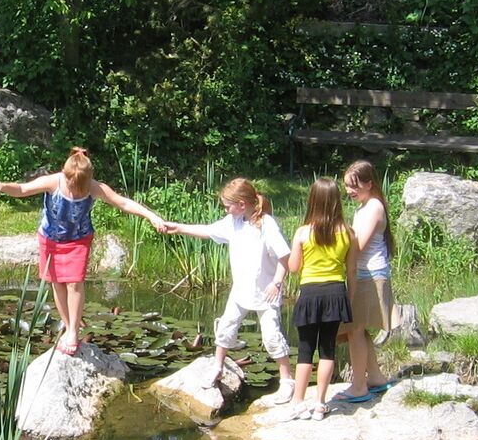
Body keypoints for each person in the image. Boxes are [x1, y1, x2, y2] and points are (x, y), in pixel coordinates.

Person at [0, 147, 166, 356]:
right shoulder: (54, 181)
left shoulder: (94, 187)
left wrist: (152, 216)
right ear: (65, 175)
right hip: (50, 240)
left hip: (78, 240)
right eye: (72, 186)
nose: (75, 191)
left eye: (79, 187)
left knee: (74, 282)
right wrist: (1, 186)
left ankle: (73, 330)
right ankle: (67, 323)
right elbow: (22, 190)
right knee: (57, 283)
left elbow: (123, 202)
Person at [164, 178, 295, 401]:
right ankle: (217, 366)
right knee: (225, 327)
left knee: (271, 336)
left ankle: (286, 379)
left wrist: (277, 282)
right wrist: (178, 228)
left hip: (266, 292)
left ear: (242, 204)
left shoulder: (267, 225)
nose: (225, 209)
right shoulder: (233, 222)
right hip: (241, 290)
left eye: (227, 205)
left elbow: (285, 255)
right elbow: (207, 230)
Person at [285, 177, 357, 421]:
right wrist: (350, 298)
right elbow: (352, 271)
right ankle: (320, 404)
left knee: (306, 350)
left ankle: (298, 403)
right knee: (328, 350)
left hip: (310, 294)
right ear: (337, 201)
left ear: (312, 201)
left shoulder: (303, 233)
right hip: (336, 294)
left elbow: (294, 267)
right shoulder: (348, 233)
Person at [334, 160, 395, 401]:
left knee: (354, 330)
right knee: (357, 329)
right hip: (362, 275)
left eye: (354, 185)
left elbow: (358, 246)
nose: (349, 190)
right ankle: (376, 378)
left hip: (370, 276)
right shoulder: (364, 206)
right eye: (347, 186)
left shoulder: (374, 207)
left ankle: (359, 387)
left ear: (369, 183)